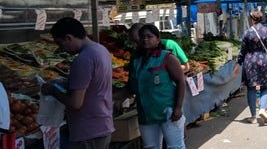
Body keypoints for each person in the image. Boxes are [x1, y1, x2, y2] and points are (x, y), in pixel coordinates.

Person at [40, 17, 114, 148]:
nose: (62, 48)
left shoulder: (83, 60)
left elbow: (75, 103)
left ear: (68, 37)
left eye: (60, 43)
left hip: (88, 129)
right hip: (102, 123)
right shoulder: (101, 50)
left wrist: (52, 90)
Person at [125, 24, 186, 149]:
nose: (145, 39)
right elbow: (131, 86)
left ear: (158, 39)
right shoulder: (136, 60)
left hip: (168, 112)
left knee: (175, 146)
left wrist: (178, 108)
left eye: (149, 36)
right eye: (142, 37)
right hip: (146, 113)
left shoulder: (167, 57)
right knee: (151, 147)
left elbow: (181, 81)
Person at [234, 10, 267, 124]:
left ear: (252, 19)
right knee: (264, 87)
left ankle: (253, 116)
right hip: (264, 62)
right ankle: (262, 109)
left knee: (252, 88)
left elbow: (242, 51)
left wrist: (237, 64)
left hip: (250, 63)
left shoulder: (247, 33)